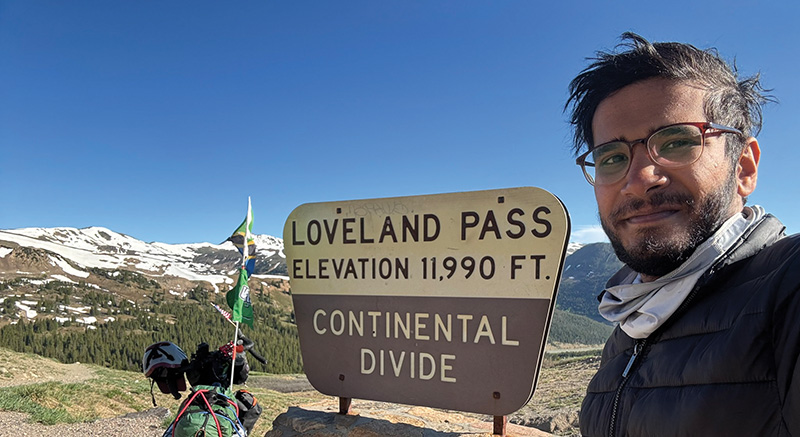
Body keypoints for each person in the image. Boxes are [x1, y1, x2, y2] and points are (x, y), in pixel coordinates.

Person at [565, 32, 800, 436]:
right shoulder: (628, 324)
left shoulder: (789, 289)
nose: (638, 181)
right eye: (612, 157)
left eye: (675, 141)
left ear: (743, 167)